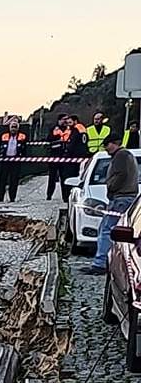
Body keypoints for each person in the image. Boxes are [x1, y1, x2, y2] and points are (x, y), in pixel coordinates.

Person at [87, 133, 138, 275]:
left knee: (107, 229)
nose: (105, 148)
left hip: (120, 198)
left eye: (107, 145)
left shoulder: (121, 156)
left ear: (114, 143)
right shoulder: (127, 155)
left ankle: (100, 263)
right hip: (126, 197)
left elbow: (120, 175)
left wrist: (110, 186)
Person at [0, 117, 29, 202]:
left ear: (18, 128)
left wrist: (22, 157)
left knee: (14, 180)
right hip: (5, 160)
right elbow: (0, 147)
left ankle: (12, 197)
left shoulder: (22, 136)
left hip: (16, 160)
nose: (13, 129)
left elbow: (25, 148)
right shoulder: (4, 136)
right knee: (2, 179)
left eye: (15, 127)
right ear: (9, 128)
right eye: (12, 127)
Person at [47, 116, 75, 201]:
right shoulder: (54, 129)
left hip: (65, 156)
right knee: (52, 177)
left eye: (66, 119)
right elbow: (49, 139)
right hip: (54, 156)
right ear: (59, 120)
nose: (65, 121)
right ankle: (49, 195)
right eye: (64, 119)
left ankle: (65, 196)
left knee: (64, 177)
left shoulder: (69, 129)